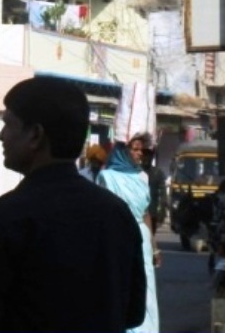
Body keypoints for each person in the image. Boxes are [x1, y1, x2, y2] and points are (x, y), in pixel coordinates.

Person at [0, 77, 146, 332]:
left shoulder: (2, 218)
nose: (1, 135)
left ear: (35, 135)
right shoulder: (116, 213)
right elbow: (133, 312)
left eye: (9, 125)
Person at [97, 135, 160, 333]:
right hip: (118, 234)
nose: (139, 154)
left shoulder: (143, 176)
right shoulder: (107, 176)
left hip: (141, 236)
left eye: (142, 150)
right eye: (135, 149)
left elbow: (146, 213)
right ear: (123, 150)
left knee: (145, 286)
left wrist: (155, 247)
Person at [141, 139, 169, 234]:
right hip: (138, 211)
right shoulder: (135, 172)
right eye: (145, 155)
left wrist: (162, 210)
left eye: (149, 156)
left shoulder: (158, 173)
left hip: (152, 212)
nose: (146, 158)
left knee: (150, 235)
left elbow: (163, 193)